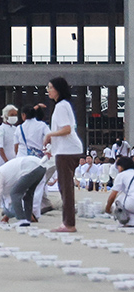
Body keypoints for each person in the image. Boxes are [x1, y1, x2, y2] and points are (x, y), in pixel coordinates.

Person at [43, 77, 84, 233]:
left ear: (58, 89)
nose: (48, 90)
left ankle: (69, 223)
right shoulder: (64, 105)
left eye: (50, 87)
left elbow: (66, 129)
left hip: (67, 152)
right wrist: (52, 147)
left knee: (65, 188)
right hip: (67, 149)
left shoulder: (61, 106)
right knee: (65, 187)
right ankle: (68, 222)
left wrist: (49, 135)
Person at [105, 156, 134, 225]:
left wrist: (107, 209)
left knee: (119, 199)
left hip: (132, 204)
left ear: (121, 166)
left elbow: (113, 195)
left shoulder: (122, 175)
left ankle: (128, 221)